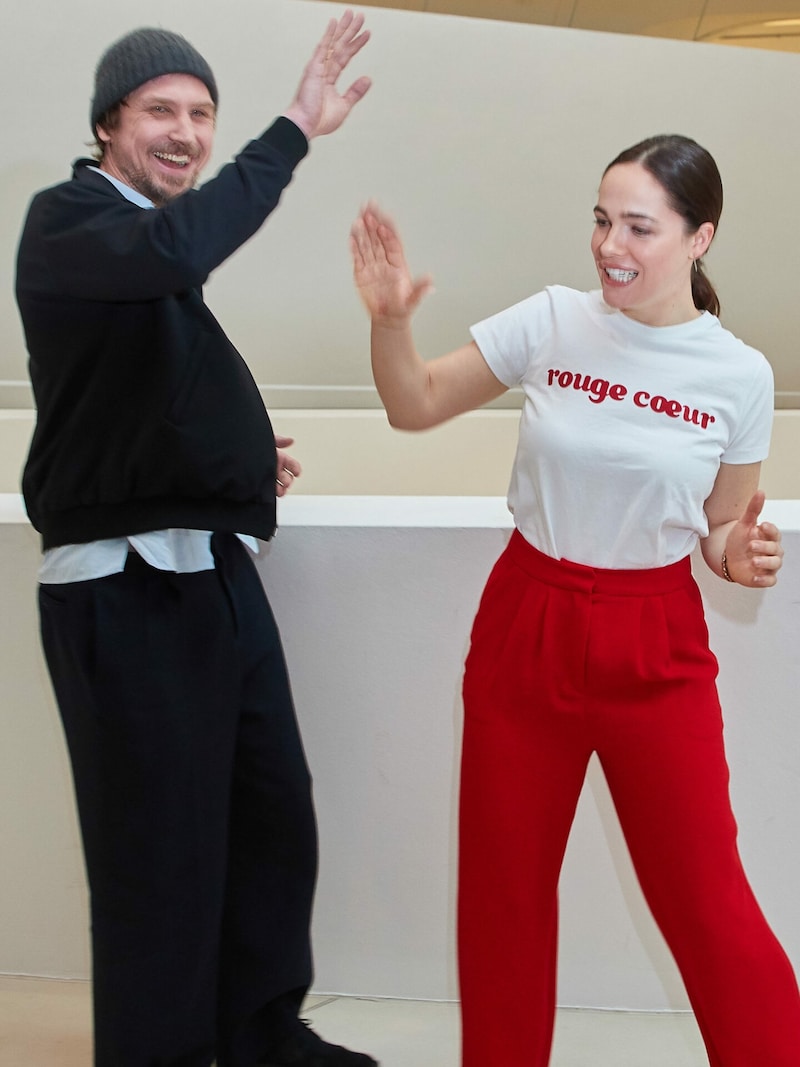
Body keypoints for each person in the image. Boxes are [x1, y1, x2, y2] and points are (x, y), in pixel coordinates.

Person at [350, 134, 800, 1065]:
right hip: (529, 618)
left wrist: (738, 555)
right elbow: (415, 404)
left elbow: (717, 529)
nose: (609, 245)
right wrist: (390, 326)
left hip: (656, 639)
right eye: (601, 219)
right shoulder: (553, 321)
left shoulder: (738, 374)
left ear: (700, 237)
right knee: (504, 898)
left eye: (639, 225)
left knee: (706, 902)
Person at [16, 14, 376, 1067]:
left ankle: (258, 1031)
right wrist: (293, 128)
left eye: (201, 113)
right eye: (160, 110)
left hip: (208, 568)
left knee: (272, 815)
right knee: (156, 859)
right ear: (107, 124)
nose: (185, 132)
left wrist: (234, 461)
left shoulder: (138, 257)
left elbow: (145, 392)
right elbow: (177, 250)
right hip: (123, 592)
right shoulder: (72, 221)